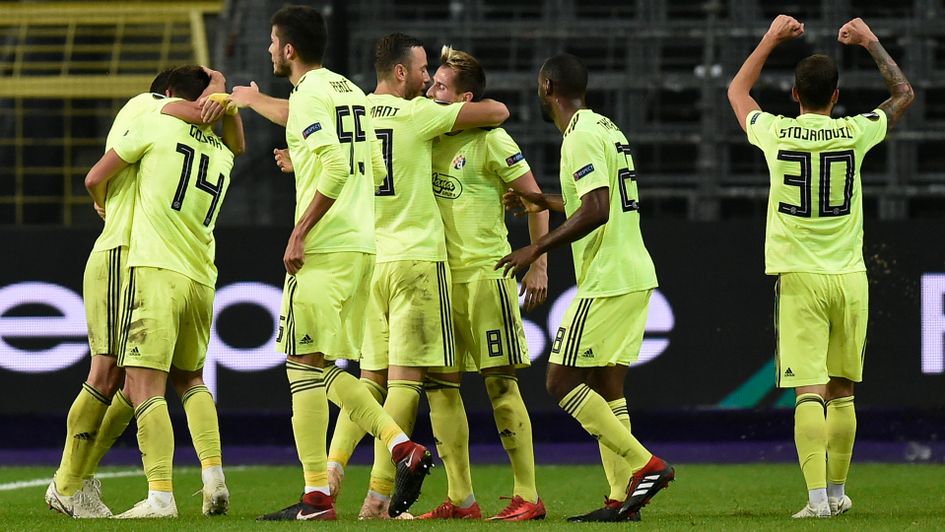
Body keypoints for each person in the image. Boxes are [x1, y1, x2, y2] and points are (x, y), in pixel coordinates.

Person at [227, 5, 434, 521]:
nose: (271, 51)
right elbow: (360, 157)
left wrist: (300, 230)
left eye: (274, 43)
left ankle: (324, 490)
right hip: (363, 244)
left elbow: (339, 165)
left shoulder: (312, 94)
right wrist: (298, 153)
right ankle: (384, 455)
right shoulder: (346, 90)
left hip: (327, 244)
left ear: (289, 49)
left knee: (302, 365)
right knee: (317, 365)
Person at [727, 15, 913, 518]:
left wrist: (768, 37)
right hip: (850, 277)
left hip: (800, 279)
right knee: (843, 390)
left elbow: (738, 94)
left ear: (793, 94)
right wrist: (872, 40)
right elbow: (902, 95)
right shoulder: (855, 131)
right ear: (836, 96)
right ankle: (836, 493)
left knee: (808, 390)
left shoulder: (776, 132)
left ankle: (815, 502)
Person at [324, 32, 510, 519]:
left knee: (369, 379)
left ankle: (328, 475)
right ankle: (378, 499)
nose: (429, 80)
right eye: (424, 70)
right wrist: (459, 112)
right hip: (417, 260)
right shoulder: (418, 115)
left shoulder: (354, 113)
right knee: (409, 382)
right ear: (401, 72)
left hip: (370, 260)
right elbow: (496, 113)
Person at [45, 66, 241, 519]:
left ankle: (79, 484)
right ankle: (73, 482)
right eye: (209, 93)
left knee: (125, 380)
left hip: (145, 256)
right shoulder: (170, 117)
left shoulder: (168, 122)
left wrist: (100, 197)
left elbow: (97, 176)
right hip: (149, 257)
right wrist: (227, 103)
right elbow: (183, 113)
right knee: (126, 376)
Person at [499, 53, 674, 522]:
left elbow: (597, 210)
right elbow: (591, 201)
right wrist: (541, 200)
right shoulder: (607, 128)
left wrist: (535, 250)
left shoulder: (578, 136)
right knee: (606, 384)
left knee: (561, 381)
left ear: (548, 86)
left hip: (609, 278)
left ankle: (645, 466)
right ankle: (622, 501)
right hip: (634, 272)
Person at [412, 45, 549, 521]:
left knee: (499, 384)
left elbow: (535, 201)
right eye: (430, 84)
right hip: (437, 279)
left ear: (465, 98)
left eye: (440, 87)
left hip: (487, 275)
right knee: (440, 388)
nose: (430, 91)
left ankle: (528, 495)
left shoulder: (492, 140)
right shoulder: (425, 135)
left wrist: (539, 264)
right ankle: (461, 498)